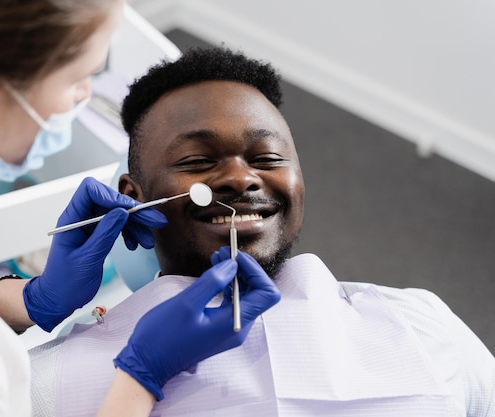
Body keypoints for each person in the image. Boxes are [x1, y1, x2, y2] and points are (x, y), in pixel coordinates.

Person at [29, 47, 495, 416]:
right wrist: (34, 304)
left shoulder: (422, 327)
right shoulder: (52, 381)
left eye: (268, 158)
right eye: (196, 161)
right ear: (133, 196)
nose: (241, 179)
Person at [0, 1, 281, 416]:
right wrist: (142, 377)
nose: (89, 94)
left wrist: (28, 300)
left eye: (267, 157)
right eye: (79, 78)